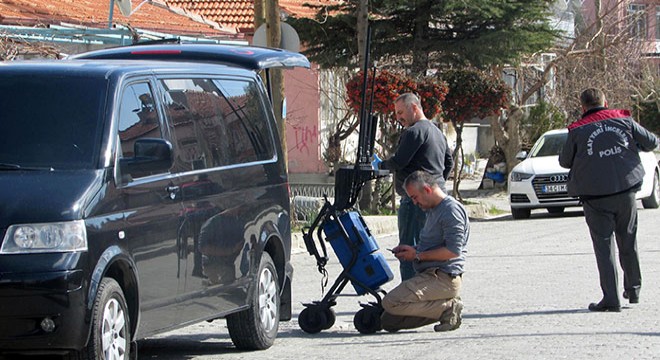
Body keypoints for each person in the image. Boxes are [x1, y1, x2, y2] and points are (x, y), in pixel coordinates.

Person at [559, 88, 658, 312]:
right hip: (625, 190)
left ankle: (611, 299)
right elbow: (651, 142)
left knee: (604, 247)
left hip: (595, 197)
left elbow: (565, 161)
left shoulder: (576, 130)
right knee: (628, 240)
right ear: (605, 101)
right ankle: (633, 290)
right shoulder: (623, 120)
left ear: (582, 106)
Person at [372, 93, 453, 281]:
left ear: (414, 108)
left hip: (415, 201)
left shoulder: (414, 131)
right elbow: (448, 163)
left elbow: (399, 162)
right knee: (431, 248)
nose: (398, 117)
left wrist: (381, 165)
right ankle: (430, 289)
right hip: (437, 199)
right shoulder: (437, 132)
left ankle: (409, 293)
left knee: (408, 249)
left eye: (401, 112)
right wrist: (436, 186)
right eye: (396, 113)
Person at [380, 170, 469, 332]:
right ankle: (443, 309)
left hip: (443, 278)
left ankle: (448, 307)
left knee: (390, 302)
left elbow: (453, 251)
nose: (414, 203)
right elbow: (433, 245)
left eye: (415, 197)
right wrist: (413, 249)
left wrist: (417, 255)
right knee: (389, 320)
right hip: (429, 274)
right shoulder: (434, 210)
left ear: (427, 190)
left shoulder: (450, 211)